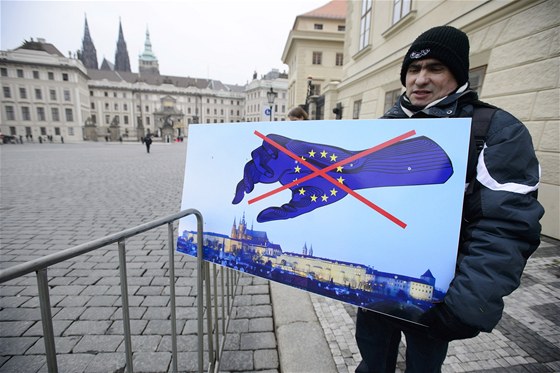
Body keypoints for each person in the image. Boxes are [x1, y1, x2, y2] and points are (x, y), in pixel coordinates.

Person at [354, 26, 544, 372]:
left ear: (458, 74)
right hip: (375, 287)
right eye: (413, 69)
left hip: (437, 293)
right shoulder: (383, 127)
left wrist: (463, 306)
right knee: (371, 364)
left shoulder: (496, 130)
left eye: (435, 68)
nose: (420, 79)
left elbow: (506, 226)